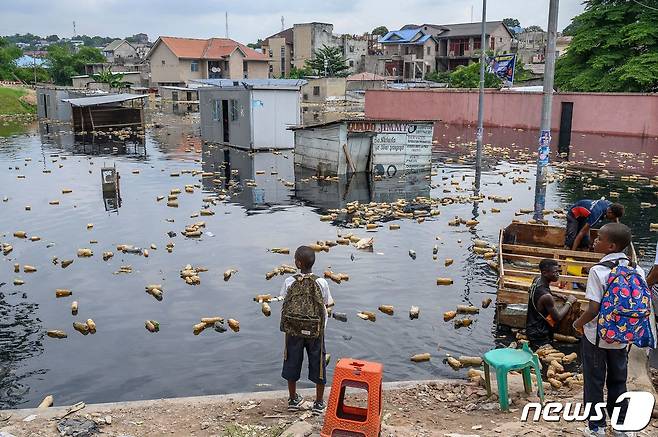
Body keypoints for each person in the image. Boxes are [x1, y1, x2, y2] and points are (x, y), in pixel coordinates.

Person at [573, 223, 652, 437]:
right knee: (618, 381)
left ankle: (596, 427)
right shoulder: (637, 270)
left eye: (599, 239)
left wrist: (577, 324)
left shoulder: (598, 271)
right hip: (623, 337)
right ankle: (620, 426)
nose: (595, 241)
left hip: (597, 337)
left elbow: (593, 309)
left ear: (611, 246)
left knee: (594, 381)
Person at [280, 246, 332, 414]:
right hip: (316, 331)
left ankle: (293, 399)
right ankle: (318, 403)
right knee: (318, 363)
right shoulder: (321, 282)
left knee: (292, 361)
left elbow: (283, 300)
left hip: (293, 330)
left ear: (297, 263)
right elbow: (327, 303)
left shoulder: (289, 281)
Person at [525, 259, 577, 349]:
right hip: (540, 334)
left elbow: (534, 290)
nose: (558, 274)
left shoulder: (537, 280)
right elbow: (558, 317)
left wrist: (556, 294)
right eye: (555, 272)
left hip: (531, 327)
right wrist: (569, 302)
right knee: (544, 357)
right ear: (545, 273)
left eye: (558, 271)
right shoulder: (546, 297)